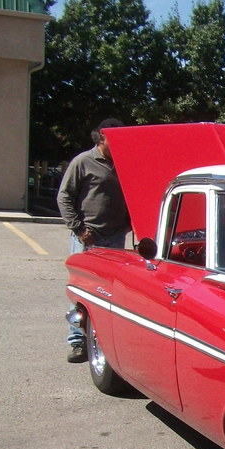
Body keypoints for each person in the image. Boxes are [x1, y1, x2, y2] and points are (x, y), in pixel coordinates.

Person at [58, 118, 131, 362]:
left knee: (107, 291)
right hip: (88, 237)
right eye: (115, 138)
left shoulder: (123, 163)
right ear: (102, 137)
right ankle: (77, 341)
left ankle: (104, 342)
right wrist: (79, 229)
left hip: (115, 237)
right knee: (83, 289)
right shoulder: (83, 161)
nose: (121, 143)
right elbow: (64, 196)